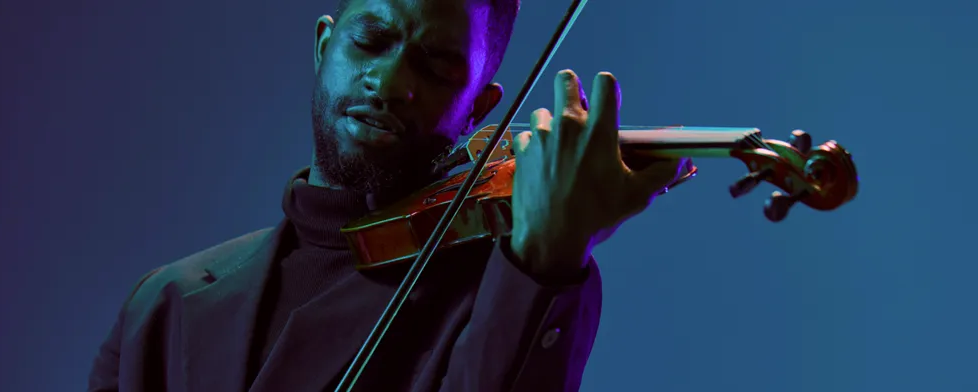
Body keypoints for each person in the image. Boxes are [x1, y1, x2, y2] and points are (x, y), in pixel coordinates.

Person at [87, 0, 686, 390]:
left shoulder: (511, 290)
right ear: (325, 47)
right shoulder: (163, 304)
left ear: (479, 109)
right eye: (371, 40)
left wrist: (548, 256)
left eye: (435, 67)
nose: (391, 82)